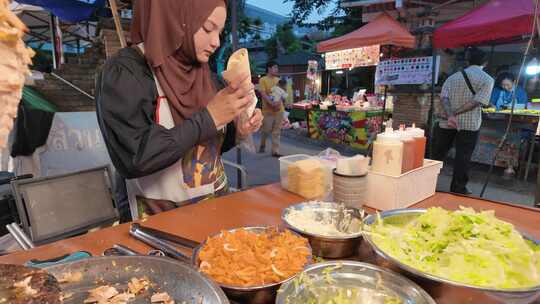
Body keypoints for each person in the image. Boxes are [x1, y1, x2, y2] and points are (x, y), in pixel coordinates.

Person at [95, 0, 263, 217]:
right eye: (207, 28)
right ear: (175, 18)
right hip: (157, 225)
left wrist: (238, 131)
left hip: (215, 212)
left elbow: (209, 149)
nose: (216, 42)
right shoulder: (125, 73)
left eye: (219, 32)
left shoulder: (205, 76)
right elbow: (135, 159)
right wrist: (209, 118)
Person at [433, 48, 494, 195]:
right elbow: (476, 102)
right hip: (469, 125)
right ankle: (458, 188)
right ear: (485, 62)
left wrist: (450, 115)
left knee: (437, 155)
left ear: (467, 61)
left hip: (446, 123)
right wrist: (455, 114)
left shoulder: (452, 78)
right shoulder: (487, 79)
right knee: (463, 156)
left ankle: (426, 182)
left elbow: (444, 98)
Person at [258, 61, 284, 157]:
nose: (277, 69)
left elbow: (281, 93)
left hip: (279, 109)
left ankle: (275, 151)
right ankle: (262, 144)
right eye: (275, 67)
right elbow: (263, 94)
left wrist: (277, 103)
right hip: (267, 110)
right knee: (266, 130)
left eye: (277, 68)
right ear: (269, 68)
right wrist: (272, 103)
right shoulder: (262, 80)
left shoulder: (279, 80)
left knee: (277, 131)